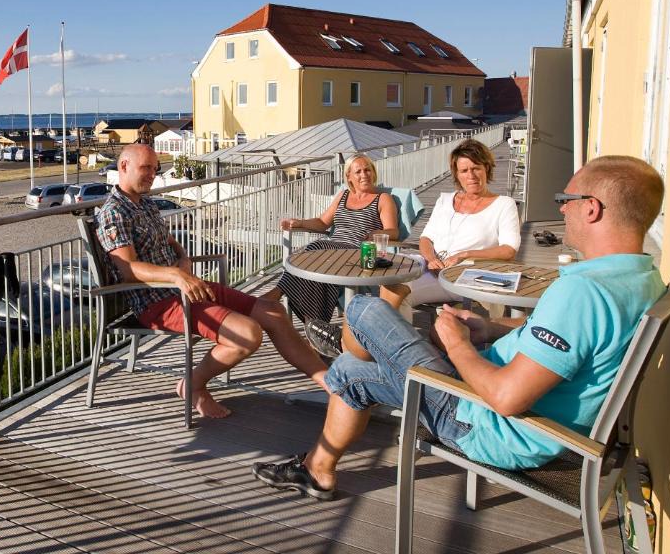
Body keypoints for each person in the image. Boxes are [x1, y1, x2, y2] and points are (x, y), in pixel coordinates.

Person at [252, 155, 665, 500]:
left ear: (591, 208)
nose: (560, 209)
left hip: (480, 420)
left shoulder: (583, 294)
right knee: (348, 373)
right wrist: (489, 328)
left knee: (363, 307)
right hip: (493, 396)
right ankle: (318, 469)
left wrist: (457, 343)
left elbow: (505, 397)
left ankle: (364, 355)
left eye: (566, 199)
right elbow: (565, 347)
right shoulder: (640, 278)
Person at [95, 143, 329, 418]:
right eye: (146, 168)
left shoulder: (145, 204)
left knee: (274, 312)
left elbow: (169, 242)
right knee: (247, 334)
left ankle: (329, 383)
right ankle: (192, 385)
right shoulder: (114, 212)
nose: (152, 175)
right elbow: (128, 269)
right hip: (157, 303)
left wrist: (182, 259)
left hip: (184, 287)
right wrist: (176, 274)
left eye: (156, 169)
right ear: (124, 166)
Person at [263, 154, 399, 356]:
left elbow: (393, 231)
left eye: (367, 169)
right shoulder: (343, 196)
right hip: (331, 248)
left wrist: (376, 234)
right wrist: (299, 223)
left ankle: (277, 295)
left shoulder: (382, 199)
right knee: (310, 262)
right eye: (358, 171)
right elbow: (322, 223)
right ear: (349, 177)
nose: (364, 174)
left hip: (356, 251)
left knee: (313, 253)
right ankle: (316, 328)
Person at [382, 139, 520, 310]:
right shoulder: (445, 200)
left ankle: (384, 334)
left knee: (397, 291)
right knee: (389, 278)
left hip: (462, 274)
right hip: (430, 266)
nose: (471, 176)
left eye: (476, 168)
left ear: (487, 168)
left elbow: (509, 250)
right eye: (464, 170)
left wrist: (464, 255)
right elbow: (425, 238)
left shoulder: (504, 204)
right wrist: (431, 259)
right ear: (457, 175)